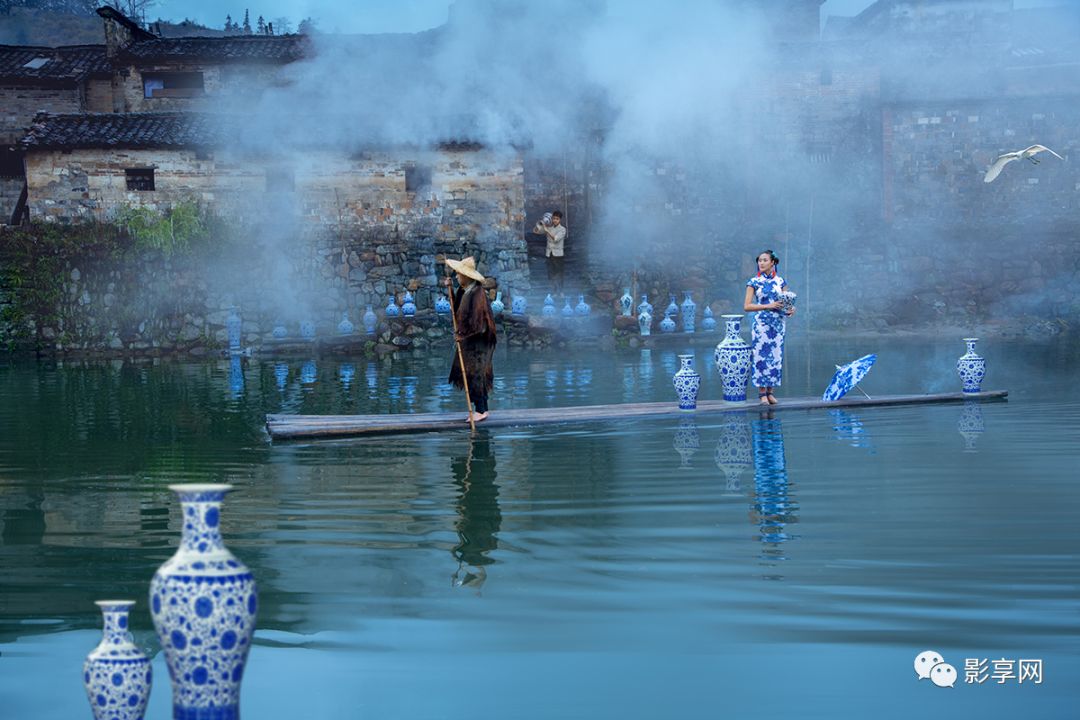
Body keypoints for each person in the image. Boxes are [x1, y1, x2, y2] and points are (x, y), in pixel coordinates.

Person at [444, 256, 498, 422]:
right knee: (473, 373)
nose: (456, 277)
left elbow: (480, 324)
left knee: (476, 373)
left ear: (466, 276)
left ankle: (480, 411)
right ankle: (483, 409)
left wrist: (463, 335)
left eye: (458, 275)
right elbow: (457, 309)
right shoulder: (464, 290)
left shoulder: (477, 293)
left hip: (480, 340)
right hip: (471, 340)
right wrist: (451, 289)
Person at [743, 249, 795, 405]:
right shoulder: (754, 282)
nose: (761, 263)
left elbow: (787, 301)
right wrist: (768, 305)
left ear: (773, 262)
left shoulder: (781, 282)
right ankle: (761, 394)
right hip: (761, 324)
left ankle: (771, 391)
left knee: (775, 357)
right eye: (759, 260)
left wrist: (791, 310)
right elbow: (747, 306)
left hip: (778, 324)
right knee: (761, 357)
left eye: (765, 260)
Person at [532, 210, 566, 295]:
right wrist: (540, 223)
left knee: (559, 274)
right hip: (549, 254)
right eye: (554, 218)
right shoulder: (549, 228)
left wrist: (546, 230)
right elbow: (535, 231)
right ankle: (554, 292)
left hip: (558, 255)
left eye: (557, 219)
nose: (555, 220)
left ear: (560, 220)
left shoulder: (562, 229)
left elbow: (555, 239)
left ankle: (561, 291)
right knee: (551, 274)